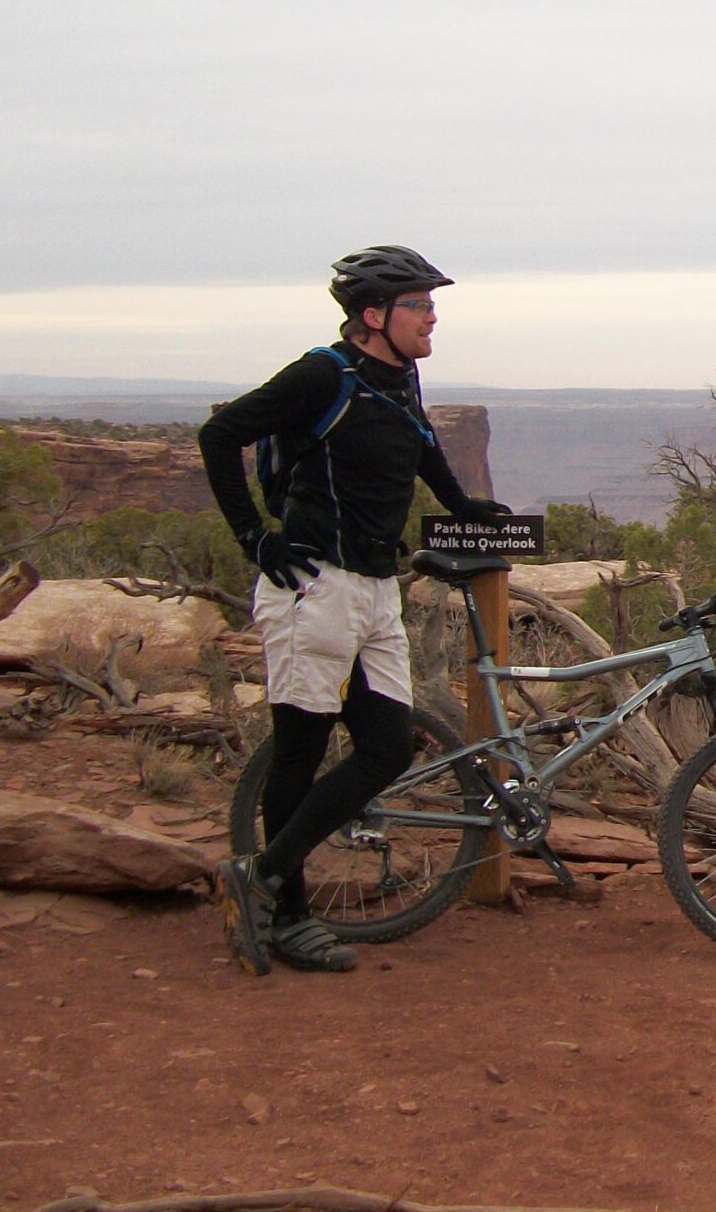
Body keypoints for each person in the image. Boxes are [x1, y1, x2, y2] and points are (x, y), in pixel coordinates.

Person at [197, 245, 506, 974]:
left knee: (387, 749)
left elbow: (422, 444)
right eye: (420, 305)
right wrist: (254, 538)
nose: (433, 317)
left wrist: (462, 506)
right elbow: (220, 435)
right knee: (300, 750)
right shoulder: (321, 375)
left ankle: (262, 875)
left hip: (374, 587)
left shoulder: (401, 377)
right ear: (374, 315)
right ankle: (290, 916)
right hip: (315, 585)